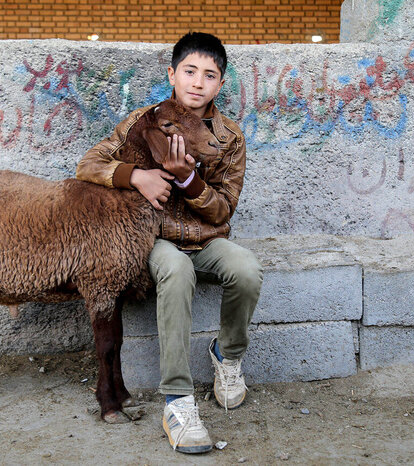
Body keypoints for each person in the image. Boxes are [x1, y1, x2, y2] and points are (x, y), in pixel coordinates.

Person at [76, 32, 263, 454]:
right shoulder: (144, 121)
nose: (198, 82)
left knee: (247, 269)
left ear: (220, 83)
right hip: (155, 240)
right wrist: (135, 176)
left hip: (205, 237)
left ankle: (227, 356)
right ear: (172, 74)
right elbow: (88, 163)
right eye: (190, 71)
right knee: (176, 272)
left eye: (209, 75)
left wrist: (188, 179)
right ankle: (177, 400)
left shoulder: (229, 138)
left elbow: (223, 212)